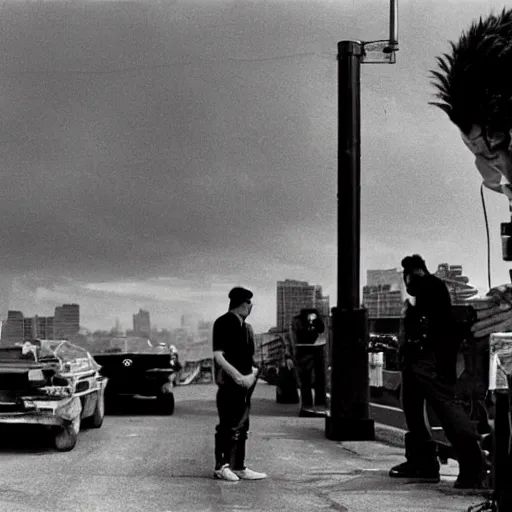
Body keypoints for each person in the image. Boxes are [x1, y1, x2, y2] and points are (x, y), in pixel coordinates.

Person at [389, 254, 488, 489]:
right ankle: (424, 462)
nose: (406, 285)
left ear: (412, 274)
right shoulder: (430, 288)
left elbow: (431, 328)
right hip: (420, 360)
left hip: (428, 361)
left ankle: (472, 465)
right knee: (413, 407)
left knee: (446, 409)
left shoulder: (429, 287)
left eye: (407, 279)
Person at [212, 286, 267, 481]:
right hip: (229, 383)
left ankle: (238, 466)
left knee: (242, 426)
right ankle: (222, 466)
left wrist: (251, 376)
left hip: (245, 384)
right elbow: (219, 356)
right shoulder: (223, 322)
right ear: (242, 304)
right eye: (249, 303)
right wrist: (237, 376)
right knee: (227, 426)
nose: (251, 307)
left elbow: (251, 359)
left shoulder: (246, 328)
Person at [286, 309, 326, 413]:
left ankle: (316, 404)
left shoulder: (318, 321)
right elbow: (293, 336)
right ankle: (309, 405)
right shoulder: (297, 322)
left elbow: (321, 330)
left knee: (318, 379)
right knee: (306, 380)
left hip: (314, 348)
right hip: (304, 349)